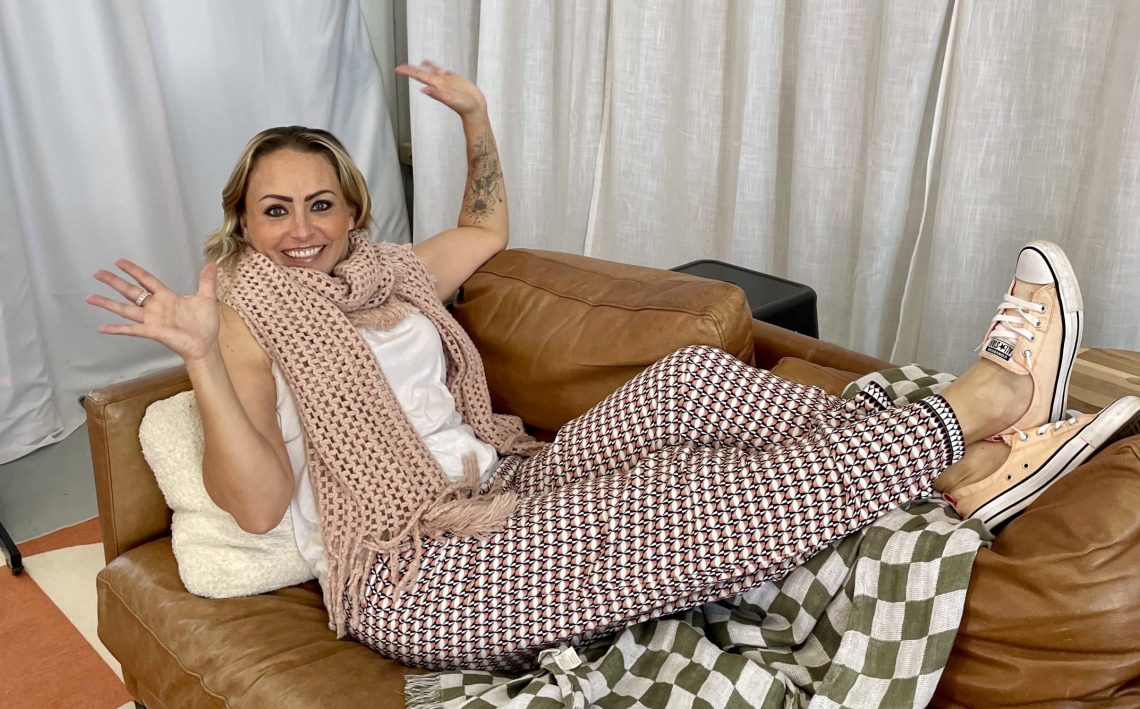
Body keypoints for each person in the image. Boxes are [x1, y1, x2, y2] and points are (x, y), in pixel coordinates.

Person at [88, 61, 1140, 673]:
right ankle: (969, 411)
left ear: (352, 209)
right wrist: (203, 360)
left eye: (320, 204)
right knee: (679, 504)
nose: (301, 230)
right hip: (413, 573)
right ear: (244, 221)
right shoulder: (249, 314)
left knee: (686, 383)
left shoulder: (389, 274)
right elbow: (258, 504)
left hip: (506, 482)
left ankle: (960, 470)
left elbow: (485, 228)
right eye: (274, 210)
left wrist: (475, 118)